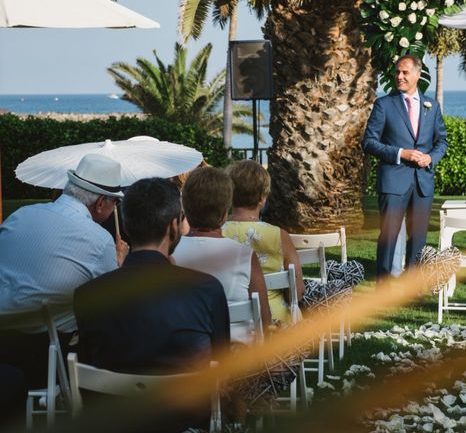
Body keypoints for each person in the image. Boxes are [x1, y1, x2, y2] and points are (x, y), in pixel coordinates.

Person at [74, 177, 230, 374]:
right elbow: (221, 366)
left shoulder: (87, 295)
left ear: (127, 227)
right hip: (186, 404)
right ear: (173, 226)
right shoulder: (207, 290)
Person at [0, 153, 127, 387]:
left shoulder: (20, 216)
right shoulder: (99, 240)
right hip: (48, 356)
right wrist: (119, 264)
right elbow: (111, 303)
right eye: (114, 203)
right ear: (100, 203)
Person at [362, 54, 448, 282]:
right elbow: (369, 142)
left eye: (405, 72)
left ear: (418, 75)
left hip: (423, 183)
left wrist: (431, 157)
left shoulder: (432, 105)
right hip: (393, 181)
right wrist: (401, 153)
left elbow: (442, 141)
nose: (399, 76)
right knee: (388, 235)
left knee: (419, 237)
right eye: (397, 72)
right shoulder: (384, 104)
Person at [172, 166, 272, 343]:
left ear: (185, 208)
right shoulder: (245, 255)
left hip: (185, 356)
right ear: (225, 212)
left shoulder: (170, 254)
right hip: (238, 360)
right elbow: (265, 320)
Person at [222, 160, 304, 323]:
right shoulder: (279, 236)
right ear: (262, 198)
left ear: (229, 195)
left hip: (228, 322)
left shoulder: (218, 232)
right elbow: (298, 291)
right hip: (276, 323)